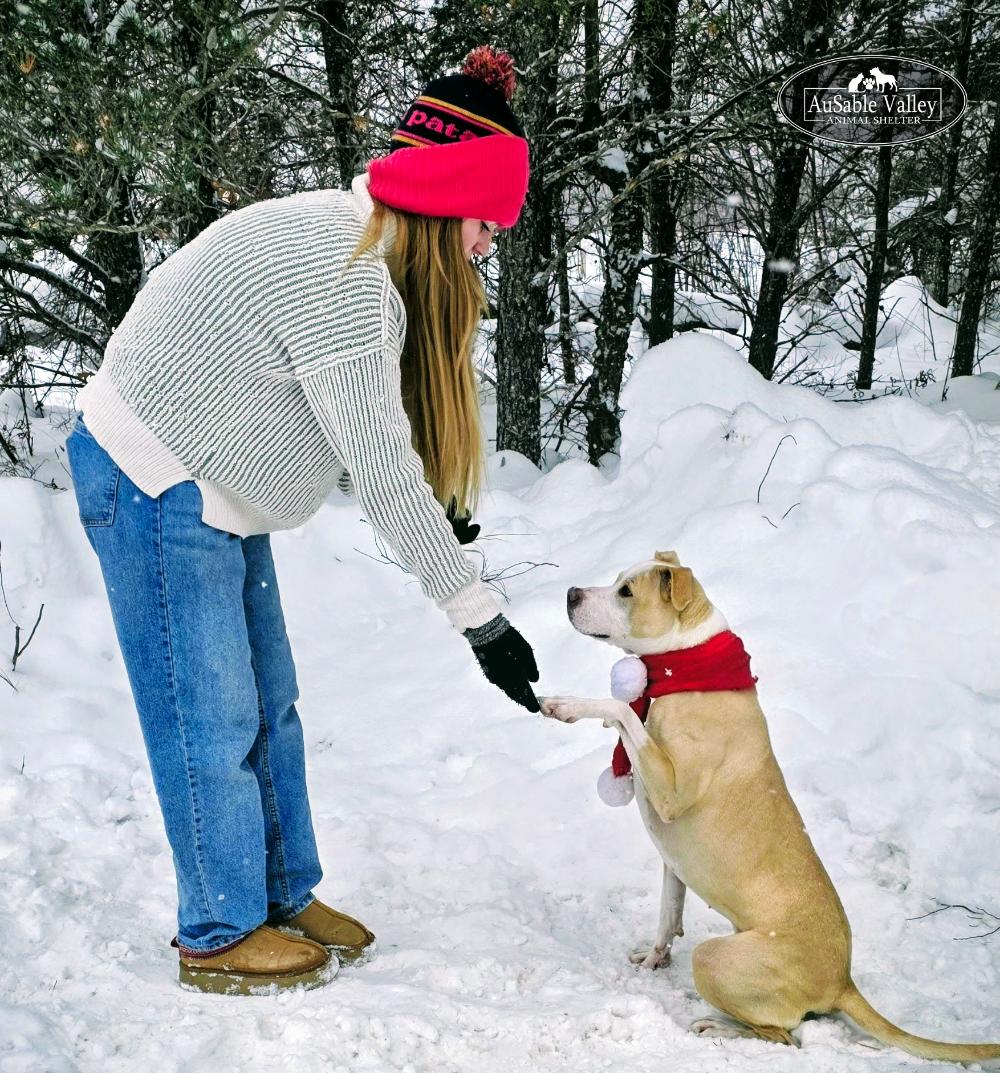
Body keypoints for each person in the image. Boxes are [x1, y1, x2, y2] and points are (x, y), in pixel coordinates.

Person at [65, 45, 539, 995]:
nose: (491, 244)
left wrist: (444, 515)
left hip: (213, 488)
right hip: (153, 477)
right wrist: (479, 618)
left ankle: (280, 894)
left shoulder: (367, 251)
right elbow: (382, 473)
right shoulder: (348, 274)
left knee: (269, 704)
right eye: (488, 223)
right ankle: (219, 930)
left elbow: (380, 429)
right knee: (208, 714)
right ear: (449, 200)